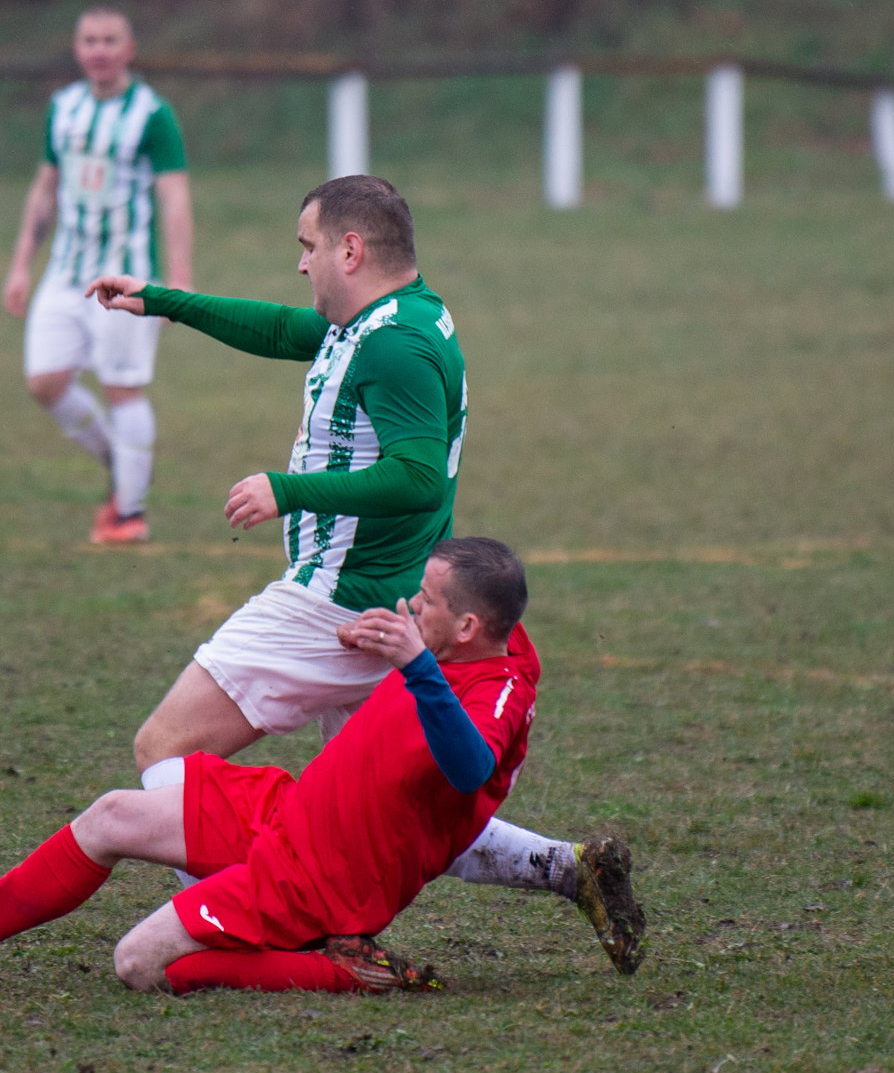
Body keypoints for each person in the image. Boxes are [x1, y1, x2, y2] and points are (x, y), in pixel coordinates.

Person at [85, 175, 625, 934]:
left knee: (165, 744)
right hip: (392, 608)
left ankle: (253, 913)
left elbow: (414, 473)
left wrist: (288, 488)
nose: (301, 265)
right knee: (390, 807)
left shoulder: (395, 347)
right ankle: (569, 868)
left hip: (334, 600)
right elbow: (279, 331)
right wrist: (164, 300)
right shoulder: (398, 318)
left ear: (351, 248)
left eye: (308, 248)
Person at [0, 539, 644, 992]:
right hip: (286, 812)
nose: (411, 606)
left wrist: (417, 665)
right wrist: (403, 649)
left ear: (468, 624)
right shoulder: (474, 640)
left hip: (321, 879)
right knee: (112, 814)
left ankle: (344, 970)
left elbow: (469, 769)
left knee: (139, 965)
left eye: (426, 601)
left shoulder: (497, 689)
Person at [2, 7, 193, 544]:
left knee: (121, 386)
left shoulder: (153, 115)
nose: (99, 50)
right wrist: (20, 265)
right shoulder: (62, 109)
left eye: (110, 40)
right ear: (77, 48)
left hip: (126, 276)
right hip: (64, 273)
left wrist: (178, 276)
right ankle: (123, 461)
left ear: (129, 49)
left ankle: (128, 512)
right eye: (89, 40)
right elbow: (45, 188)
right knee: (44, 381)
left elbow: (174, 194)